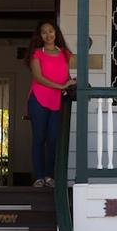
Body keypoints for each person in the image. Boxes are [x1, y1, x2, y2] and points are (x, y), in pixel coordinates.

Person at [26, 21, 75, 188]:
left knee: (54, 139)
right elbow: (38, 77)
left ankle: (49, 176)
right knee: (39, 138)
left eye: (51, 31)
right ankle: (39, 177)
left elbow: (67, 74)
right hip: (38, 99)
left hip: (57, 100)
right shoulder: (37, 53)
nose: (48, 35)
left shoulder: (65, 54)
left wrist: (69, 82)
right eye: (44, 32)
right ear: (39, 36)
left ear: (56, 33)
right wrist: (61, 86)